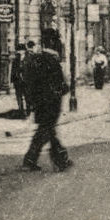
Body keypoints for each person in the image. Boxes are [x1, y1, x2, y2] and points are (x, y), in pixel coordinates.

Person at [21, 27, 72, 172]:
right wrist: (64, 89)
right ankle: (58, 160)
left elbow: (29, 82)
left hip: (40, 102)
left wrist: (32, 101)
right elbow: (60, 84)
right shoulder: (53, 61)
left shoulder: (36, 59)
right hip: (52, 102)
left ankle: (35, 160)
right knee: (47, 130)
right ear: (54, 43)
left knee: (46, 131)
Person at [11, 43, 28, 116]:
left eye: (21, 50)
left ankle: (28, 110)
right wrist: (12, 80)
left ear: (24, 50)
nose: (20, 52)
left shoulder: (28, 58)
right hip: (17, 81)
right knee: (18, 96)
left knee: (27, 95)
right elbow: (13, 70)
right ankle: (21, 110)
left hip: (26, 80)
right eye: (19, 50)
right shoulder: (15, 60)